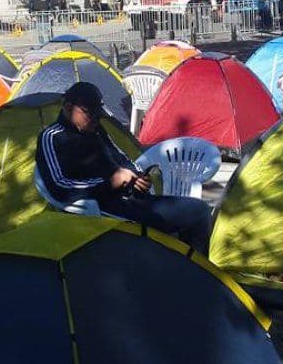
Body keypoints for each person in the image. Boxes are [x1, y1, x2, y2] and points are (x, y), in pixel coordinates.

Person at [35, 82, 212, 253]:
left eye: (98, 113)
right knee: (178, 221)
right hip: (103, 208)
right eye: (90, 113)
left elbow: (121, 158)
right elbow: (59, 187)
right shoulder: (52, 137)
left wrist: (137, 178)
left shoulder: (96, 130)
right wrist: (112, 182)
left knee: (200, 210)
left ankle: (193, 268)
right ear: (68, 108)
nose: (96, 119)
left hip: (132, 199)